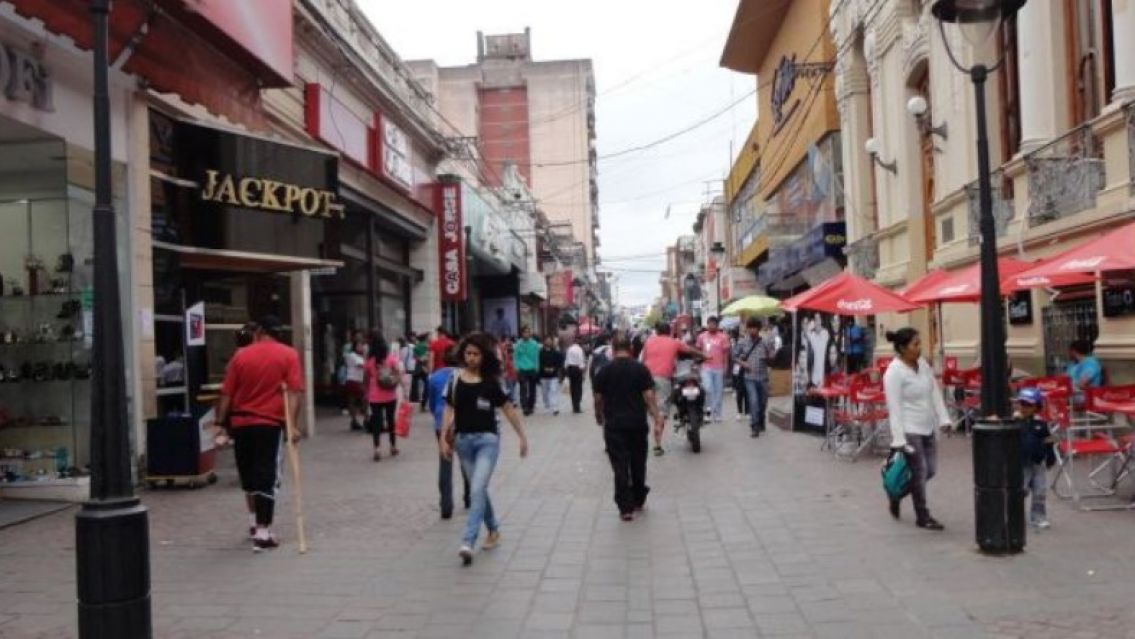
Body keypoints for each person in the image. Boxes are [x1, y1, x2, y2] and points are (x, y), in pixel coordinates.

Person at [212, 315, 304, 552]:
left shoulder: (240, 355)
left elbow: (226, 393)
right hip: (268, 423)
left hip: (241, 423)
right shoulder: (288, 354)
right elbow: (294, 393)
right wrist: (292, 425)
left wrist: (221, 423)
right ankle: (263, 531)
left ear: (259, 331)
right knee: (267, 475)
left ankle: (253, 522)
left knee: (249, 474)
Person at [439, 333, 528, 565]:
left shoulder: (491, 382)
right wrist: (443, 438)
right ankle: (494, 530)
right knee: (479, 490)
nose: (471, 358)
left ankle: (468, 540)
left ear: (483, 356)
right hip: (463, 442)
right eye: (468, 353)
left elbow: (508, 408)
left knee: (477, 487)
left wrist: (522, 436)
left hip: (487, 441)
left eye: (476, 354)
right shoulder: (455, 379)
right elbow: (448, 409)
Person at [882, 328, 951, 531]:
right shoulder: (893, 373)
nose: (920, 348)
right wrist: (899, 440)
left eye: (919, 343)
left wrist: (944, 418)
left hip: (927, 426)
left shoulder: (922, 365)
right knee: (919, 472)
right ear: (903, 348)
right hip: (909, 428)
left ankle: (896, 495)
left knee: (930, 470)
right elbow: (893, 407)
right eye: (916, 344)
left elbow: (934, 393)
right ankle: (923, 516)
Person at [593, 335, 665, 521]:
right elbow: (649, 397)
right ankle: (639, 498)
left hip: (614, 425)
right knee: (638, 462)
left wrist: (598, 415)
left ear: (613, 347)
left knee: (620, 465)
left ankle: (625, 508)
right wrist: (657, 417)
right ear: (631, 348)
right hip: (637, 424)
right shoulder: (641, 369)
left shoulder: (604, 371)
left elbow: (598, 399)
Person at [640, 322, 707, 456]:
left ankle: (651, 423)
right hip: (663, 378)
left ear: (657, 332)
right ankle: (657, 444)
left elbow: (643, 360)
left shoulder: (648, 342)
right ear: (669, 331)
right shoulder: (674, 342)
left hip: (645, 377)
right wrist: (704, 355)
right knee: (661, 411)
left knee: (650, 407)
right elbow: (690, 350)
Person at [428, 346, 469, 519]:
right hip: (463, 422)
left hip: (441, 424)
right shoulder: (466, 376)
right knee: (466, 461)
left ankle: (446, 505)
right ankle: (469, 497)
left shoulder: (434, 377)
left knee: (445, 462)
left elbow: (430, 402)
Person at [1015, 387, 1055, 529]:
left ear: (1036, 407)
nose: (1024, 408)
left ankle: (1038, 517)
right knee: (1021, 490)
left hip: (1038, 462)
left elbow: (1048, 441)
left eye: (1028, 405)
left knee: (1039, 491)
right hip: (1021, 462)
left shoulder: (1041, 424)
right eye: (1022, 403)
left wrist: (1050, 456)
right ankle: (1015, 517)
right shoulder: (1015, 422)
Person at [735, 317, 778, 438]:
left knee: (763, 403)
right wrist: (743, 364)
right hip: (750, 378)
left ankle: (761, 419)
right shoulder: (742, 342)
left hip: (763, 377)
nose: (752, 330)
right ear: (747, 329)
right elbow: (734, 356)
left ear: (759, 329)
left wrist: (771, 354)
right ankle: (754, 427)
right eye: (750, 328)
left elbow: (771, 358)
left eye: (755, 328)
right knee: (753, 401)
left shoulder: (765, 341)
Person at [364, 334, 403, 461]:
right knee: (391, 421)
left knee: (376, 422)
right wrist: (396, 383)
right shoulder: (391, 359)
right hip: (390, 395)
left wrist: (366, 393)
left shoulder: (370, 361)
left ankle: (377, 449)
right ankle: (393, 446)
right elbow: (398, 374)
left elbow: (366, 378)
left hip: (374, 396)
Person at [696, 317, 732, 423]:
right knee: (707, 389)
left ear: (717, 325)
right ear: (707, 325)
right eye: (709, 324)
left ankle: (717, 414)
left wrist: (726, 367)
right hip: (706, 368)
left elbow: (726, 354)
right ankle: (708, 412)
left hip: (719, 368)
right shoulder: (701, 337)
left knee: (718, 392)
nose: (711, 326)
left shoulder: (723, 337)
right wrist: (699, 362)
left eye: (713, 324)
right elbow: (697, 351)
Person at [514, 326, 541, 416]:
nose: (527, 334)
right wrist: (516, 367)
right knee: (523, 388)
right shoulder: (518, 344)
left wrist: (537, 366)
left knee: (532, 388)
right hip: (522, 369)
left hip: (532, 368)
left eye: (528, 332)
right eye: (525, 332)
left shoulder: (534, 344)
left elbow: (536, 356)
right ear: (522, 333)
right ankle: (524, 407)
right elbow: (516, 357)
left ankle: (531, 406)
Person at [343, 337, 367, 431]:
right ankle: (361, 419)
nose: (361, 347)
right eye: (359, 345)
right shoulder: (352, 355)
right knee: (364, 399)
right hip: (354, 380)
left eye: (362, 345)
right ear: (354, 346)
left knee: (354, 401)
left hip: (358, 380)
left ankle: (356, 420)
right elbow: (361, 365)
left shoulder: (361, 356)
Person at [538, 335, 565, 415]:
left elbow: (560, 362)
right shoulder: (540, 352)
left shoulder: (556, 352)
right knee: (544, 392)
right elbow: (539, 363)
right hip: (544, 375)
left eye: (550, 340)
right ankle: (547, 405)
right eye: (547, 340)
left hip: (553, 375)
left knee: (553, 390)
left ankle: (555, 407)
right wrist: (544, 368)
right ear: (544, 341)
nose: (548, 342)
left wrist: (554, 368)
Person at [729, 328, 749, 422]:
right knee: (740, 391)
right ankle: (739, 412)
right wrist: (741, 356)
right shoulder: (737, 344)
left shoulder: (751, 342)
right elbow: (733, 356)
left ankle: (748, 412)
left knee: (747, 391)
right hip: (739, 369)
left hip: (749, 369)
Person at [565, 337, 587, 414]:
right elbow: (581, 361)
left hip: (570, 369)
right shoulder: (580, 349)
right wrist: (583, 371)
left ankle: (574, 405)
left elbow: (566, 361)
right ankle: (577, 406)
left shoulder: (569, 349)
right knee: (578, 388)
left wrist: (566, 370)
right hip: (577, 369)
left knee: (573, 388)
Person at [413, 332, 430, 411]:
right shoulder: (426, 346)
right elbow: (427, 357)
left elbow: (415, 357)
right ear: (425, 338)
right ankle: (423, 404)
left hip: (417, 368)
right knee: (427, 386)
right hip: (425, 367)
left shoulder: (416, 347)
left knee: (418, 385)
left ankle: (420, 402)